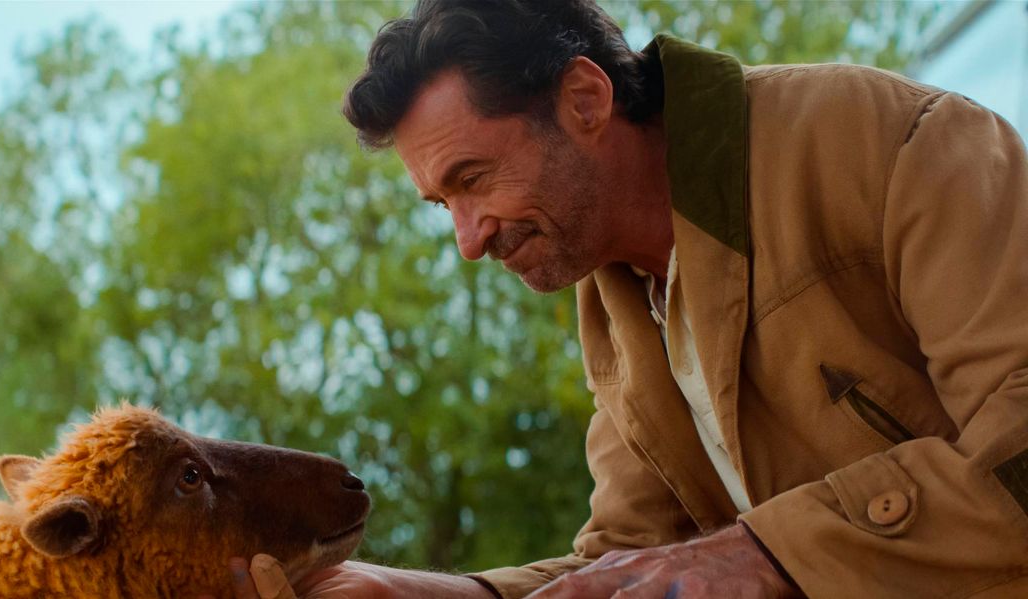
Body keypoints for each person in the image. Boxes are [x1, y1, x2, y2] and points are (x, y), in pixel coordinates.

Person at [230, 0, 1028, 597]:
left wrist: (763, 552)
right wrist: (407, 591)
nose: (469, 241)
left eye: (472, 180)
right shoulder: (611, 295)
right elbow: (625, 563)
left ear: (586, 99)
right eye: (443, 205)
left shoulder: (895, 144)